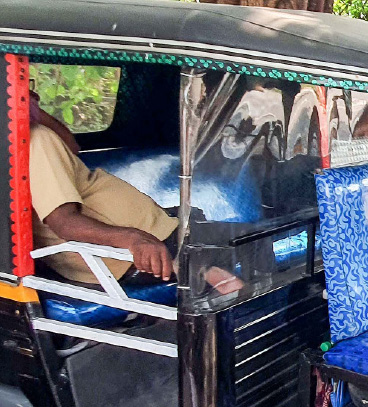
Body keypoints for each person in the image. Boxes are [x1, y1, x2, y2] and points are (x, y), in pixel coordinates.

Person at [28, 91, 242, 294]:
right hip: (140, 244)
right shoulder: (36, 140)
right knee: (253, 245)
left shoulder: (39, 137)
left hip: (154, 228)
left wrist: (35, 112)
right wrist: (133, 239)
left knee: (204, 220)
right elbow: (64, 222)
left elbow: (71, 145)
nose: (34, 94)